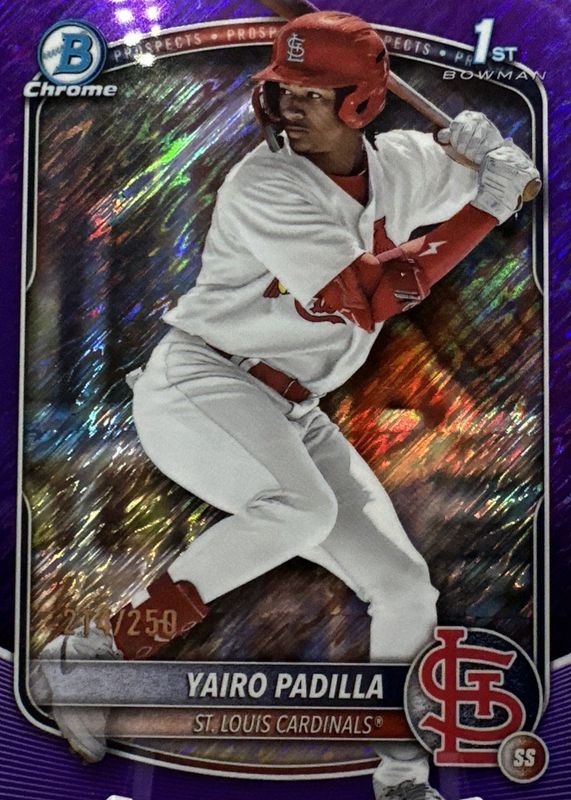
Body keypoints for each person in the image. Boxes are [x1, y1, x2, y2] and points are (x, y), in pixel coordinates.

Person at [39, 11, 539, 799]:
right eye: (281, 91)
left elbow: (513, 182)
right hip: (203, 381)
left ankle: (401, 779)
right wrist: (489, 202)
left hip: (294, 408)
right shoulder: (264, 182)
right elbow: (375, 295)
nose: (288, 108)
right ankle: (94, 658)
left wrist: (492, 157)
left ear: (362, 104)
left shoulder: (403, 164)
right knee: (297, 511)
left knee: (404, 586)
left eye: (311, 94)